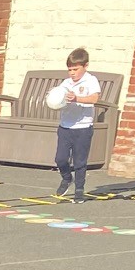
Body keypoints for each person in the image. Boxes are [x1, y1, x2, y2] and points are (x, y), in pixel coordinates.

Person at [46, 48, 101, 201]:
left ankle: (79, 189)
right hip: (66, 126)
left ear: (85, 66)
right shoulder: (66, 83)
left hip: (83, 127)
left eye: (75, 69)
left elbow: (94, 98)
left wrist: (77, 98)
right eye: (70, 69)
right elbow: (58, 98)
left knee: (80, 161)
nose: (72, 73)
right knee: (60, 159)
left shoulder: (91, 80)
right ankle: (66, 177)